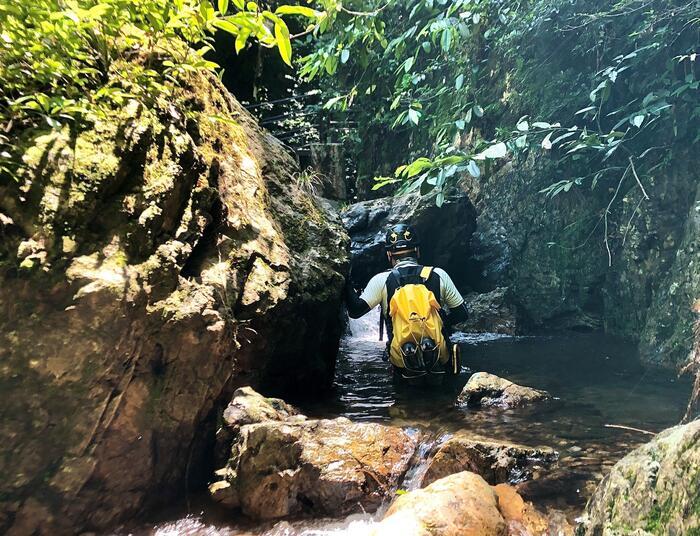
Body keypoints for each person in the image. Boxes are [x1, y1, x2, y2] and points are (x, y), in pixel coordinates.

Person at [346, 223, 468, 379]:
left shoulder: (381, 280)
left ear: (389, 255)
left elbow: (355, 311)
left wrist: (346, 281)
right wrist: (442, 322)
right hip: (440, 359)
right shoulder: (438, 274)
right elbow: (462, 313)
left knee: (403, 400)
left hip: (402, 363)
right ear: (417, 251)